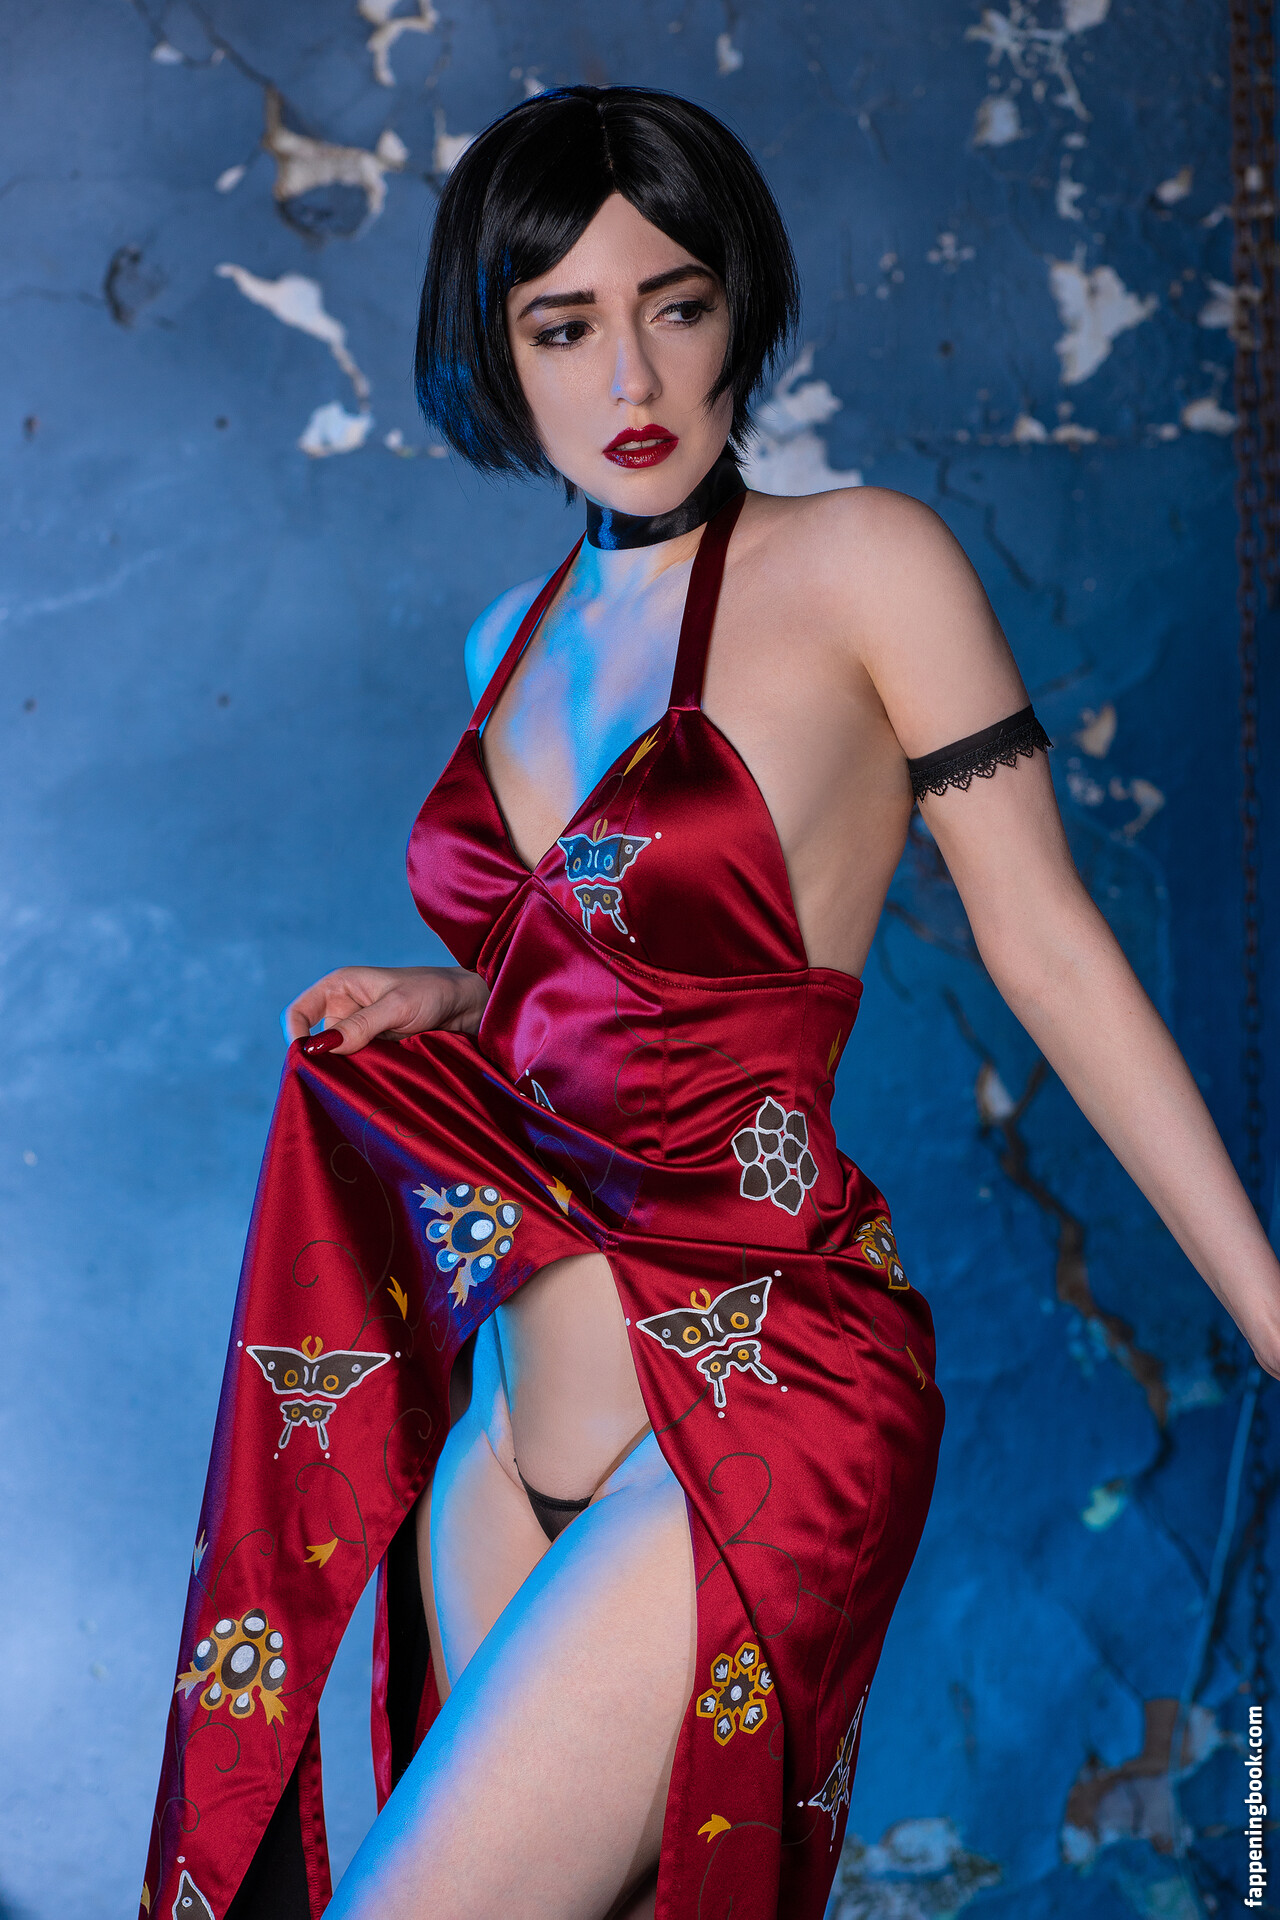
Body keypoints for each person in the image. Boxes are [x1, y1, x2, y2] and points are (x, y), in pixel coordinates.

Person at [143, 85, 1280, 1920]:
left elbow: (1049, 946)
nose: (632, 373)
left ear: (738, 300)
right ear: (495, 354)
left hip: (754, 1403)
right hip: (512, 1436)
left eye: (674, 303)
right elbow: (614, 981)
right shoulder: (506, 641)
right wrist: (455, 993)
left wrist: (1277, 1321)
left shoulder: (869, 565)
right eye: (563, 326)